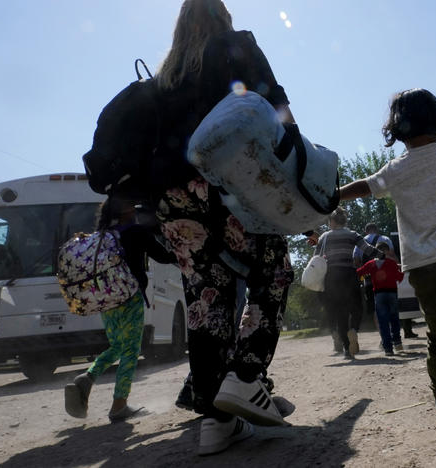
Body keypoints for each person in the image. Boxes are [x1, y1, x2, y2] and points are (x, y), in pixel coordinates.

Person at [154, 0, 295, 455]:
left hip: (172, 198)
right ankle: (247, 376)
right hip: (228, 184)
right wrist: (295, 167)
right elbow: (278, 111)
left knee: (204, 300)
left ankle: (216, 423)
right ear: (223, 17)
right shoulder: (238, 47)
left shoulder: (166, 77)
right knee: (271, 274)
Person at [339, 88, 436, 453]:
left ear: (396, 127)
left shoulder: (396, 169)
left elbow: (364, 187)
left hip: (423, 267)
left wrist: (330, 194)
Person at [64, 194, 175, 423]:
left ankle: (87, 377)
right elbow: (164, 257)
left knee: (117, 346)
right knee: (130, 351)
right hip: (130, 298)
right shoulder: (136, 232)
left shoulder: (102, 237)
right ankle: (119, 405)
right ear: (126, 211)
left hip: (107, 300)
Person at [314, 207, 383, 359]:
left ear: (332, 221)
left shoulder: (324, 237)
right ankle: (354, 330)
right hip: (349, 274)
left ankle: (347, 349)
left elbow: (316, 258)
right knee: (357, 307)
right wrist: (382, 255)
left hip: (332, 277)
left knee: (340, 313)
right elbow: (367, 249)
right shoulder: (352, 234)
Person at [356, 242, 404, 356]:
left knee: (383, 322)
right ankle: (397, 343)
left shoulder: (371, 264)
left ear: (375, 252)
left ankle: (388, 349)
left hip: (379, 294)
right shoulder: (392, 263)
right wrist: (401, 269)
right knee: (394, 319)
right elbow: (399, 278)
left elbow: (359, 273)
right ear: (387, 251)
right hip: (392, 293)